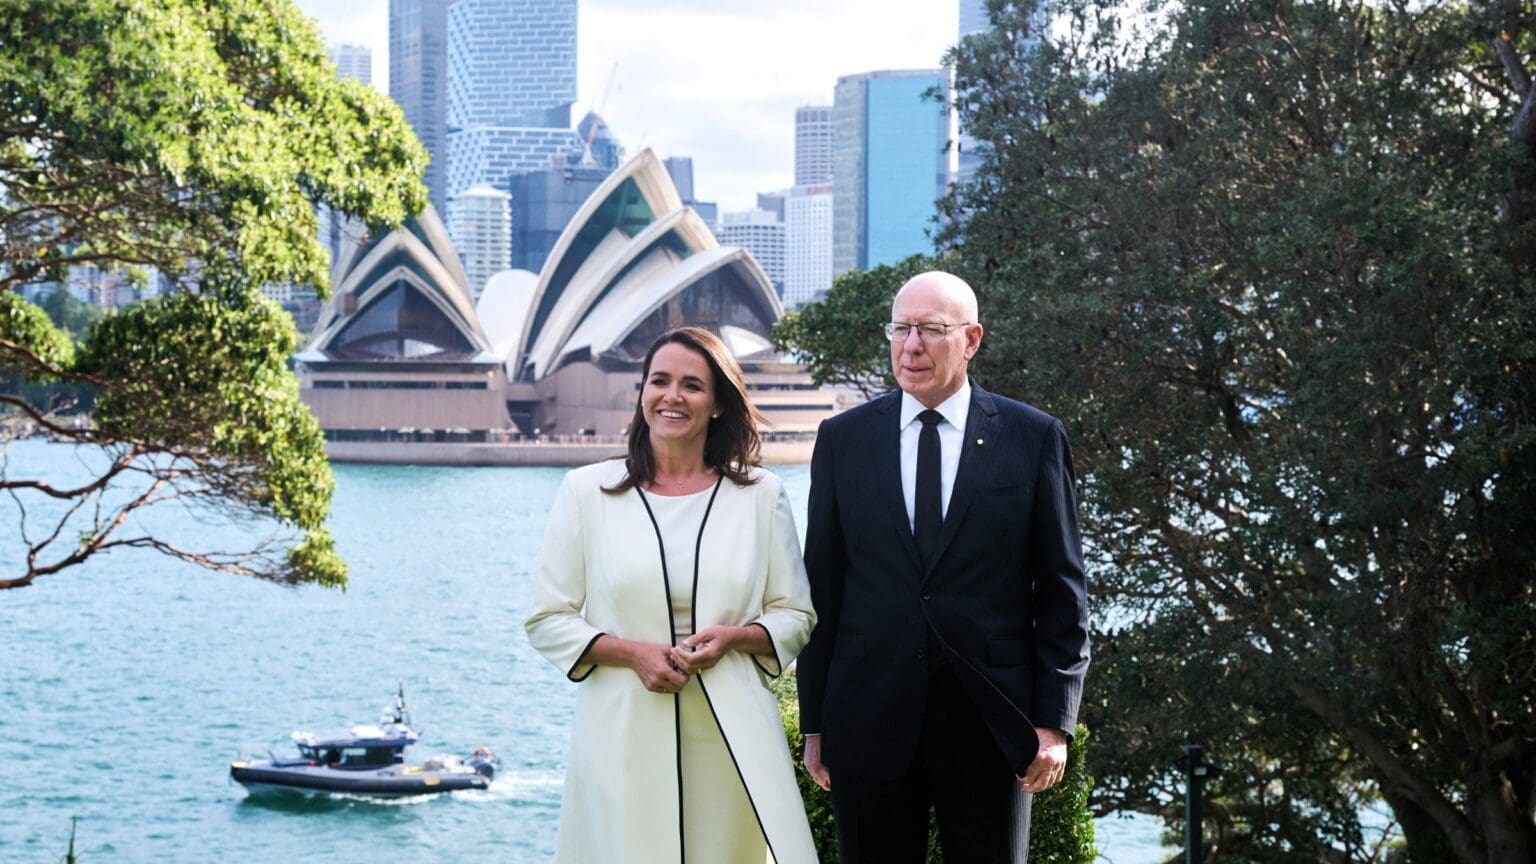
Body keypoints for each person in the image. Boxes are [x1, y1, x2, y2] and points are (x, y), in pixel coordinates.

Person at [796, 271, 1091, 863]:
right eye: (901, 329)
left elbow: (1063, 589)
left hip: (992, 721)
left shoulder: (1032, 438)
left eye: (930, 330)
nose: (911, 346)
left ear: (972, 339)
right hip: (868, 715)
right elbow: (821, 588)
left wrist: (1054, 722)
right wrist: (815, 723)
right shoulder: (843, 439)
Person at [525, 326, 819, 864]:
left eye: (692, 385)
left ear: (718, 405)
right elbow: (547, 619)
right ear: (642, 393)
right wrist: (632, 653)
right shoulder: (586, 492)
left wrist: (735, 638)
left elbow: (796, 615)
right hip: (622, 731)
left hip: (734, 735)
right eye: (659, 381)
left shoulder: (761, 496)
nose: (672, 396)